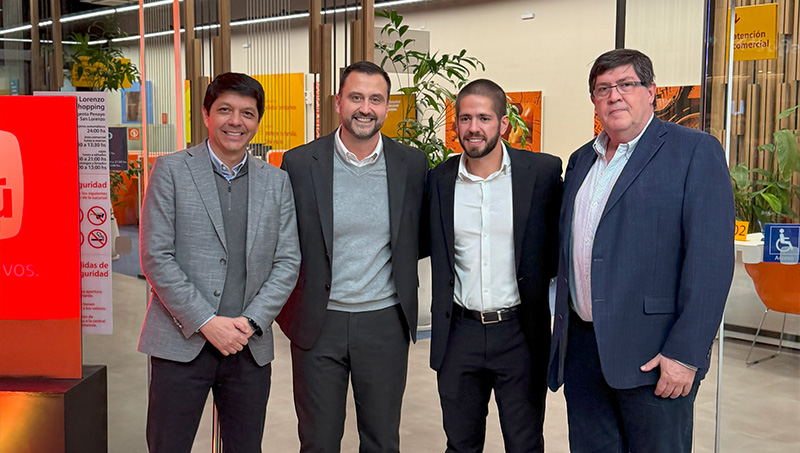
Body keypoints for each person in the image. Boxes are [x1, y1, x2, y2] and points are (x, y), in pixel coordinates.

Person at [547, 49, 735, 452]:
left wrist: (685, 354)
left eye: (626, 85)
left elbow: (711, 263)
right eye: (603, 89)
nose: (614, 96)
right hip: (583, 353)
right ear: (594, 100)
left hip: (654, 356)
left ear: (652, 92)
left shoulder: (694, 151)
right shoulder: (581, 161)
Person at [137, 72, 301, 452]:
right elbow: (155, 256)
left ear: (257, 121)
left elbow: (288, 261)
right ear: (206, 114)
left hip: (248, 346)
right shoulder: (171, 170)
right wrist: (207, 322)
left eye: (247, 113)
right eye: (225, 110)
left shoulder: (276, 182)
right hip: (181, 341)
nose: (235, 121)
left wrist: (250, 322)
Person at [276, 61, 428, 452]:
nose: (365, 108)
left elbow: (420, 236)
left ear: (387, 106)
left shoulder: (412, 165)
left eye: (376, 99)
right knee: (318, 441)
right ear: (337, 102)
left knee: (382, 440)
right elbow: (283, 241)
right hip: (318, 322)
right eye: (356, 97)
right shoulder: (299, 164)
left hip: (384, 322)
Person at [426, 79, 562, 452]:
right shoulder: (438, 181)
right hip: (459, 334)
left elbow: (559, 244)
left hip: (520, 333)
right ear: (455, 124)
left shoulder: (542, 173)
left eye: (484, 118)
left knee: (525, 444)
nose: (474, 128)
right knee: (460, 444)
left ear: (503, 123)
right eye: (465, 118)